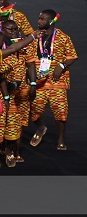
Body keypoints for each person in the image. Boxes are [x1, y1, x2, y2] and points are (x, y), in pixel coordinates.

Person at [26, 9, 77, 150]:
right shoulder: (34, 37)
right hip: (39, 81)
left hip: (57, 81)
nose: (39, 21)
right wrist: (33, 79)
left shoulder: (63, 37)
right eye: (39, 18)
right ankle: (40, 127)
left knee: (61, 111)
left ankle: (61, 138)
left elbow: (72, 55)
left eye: (42, 19)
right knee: (32, 109)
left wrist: (62, 65)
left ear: (52, 21)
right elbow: (28, 59)